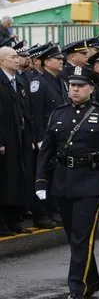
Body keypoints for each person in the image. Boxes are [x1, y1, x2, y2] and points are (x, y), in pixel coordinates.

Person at [35, 66, 99, 299]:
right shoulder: (58, 113)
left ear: (91, 89)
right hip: (63, 183)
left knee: (82, 237)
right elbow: (47, 151)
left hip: (90, 184)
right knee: (74, 237)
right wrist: (41, 181)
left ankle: (76, 287)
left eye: (80, 85)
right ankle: (92, 279)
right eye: (72, 85)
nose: (74, 89)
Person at [0, 47, 36, 237]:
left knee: (19, 178)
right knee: (5, 180)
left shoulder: (20, 80)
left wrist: (29, 137)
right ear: (2, 61)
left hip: (21, 137)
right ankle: (2, 221)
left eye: (17, 56)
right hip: (7, 138)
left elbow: (27, 113)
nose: (17, 60)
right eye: (13, 57)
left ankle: (15, 219)